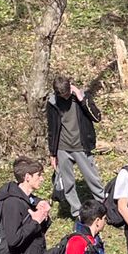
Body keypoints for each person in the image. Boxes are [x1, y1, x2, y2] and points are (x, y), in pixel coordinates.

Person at [47, 75, 106, 220]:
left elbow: (96, 117)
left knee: (93, 178)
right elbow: (52, 128)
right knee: (68, 183)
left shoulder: (81, 97)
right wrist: (52, 153)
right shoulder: (52, 102)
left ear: (70, 88)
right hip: (62, 148)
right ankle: (77, 213)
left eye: (67, 94)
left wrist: (81, 98)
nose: (66, 98)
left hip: (81, 146)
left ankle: (103, 207)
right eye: (63, 96)